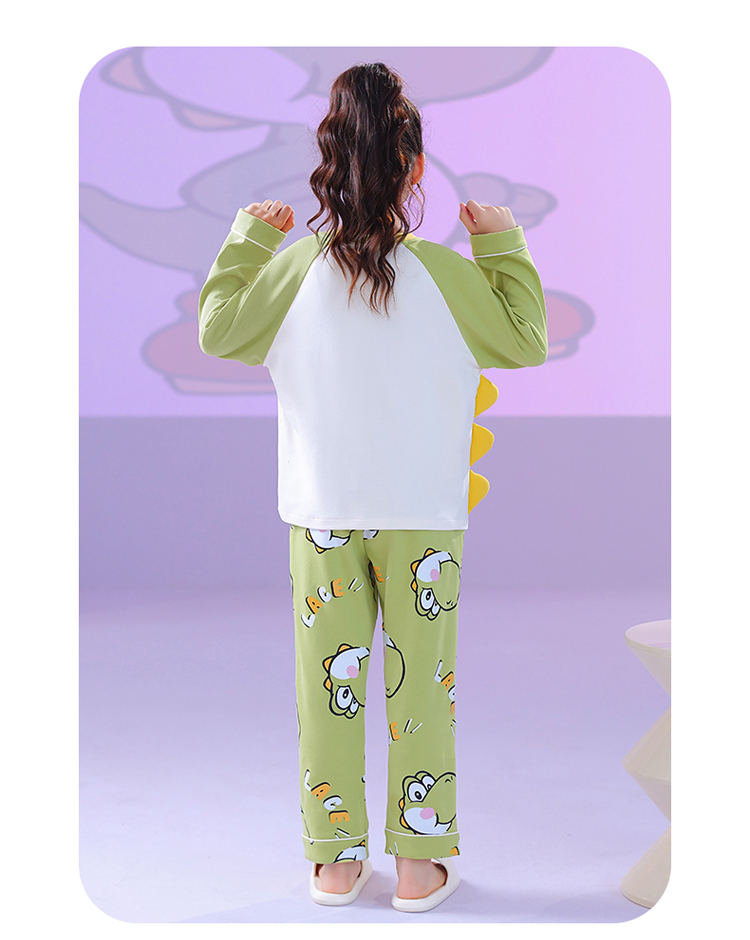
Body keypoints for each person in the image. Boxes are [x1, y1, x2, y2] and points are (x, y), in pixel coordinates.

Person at [198, 62, 548, 912]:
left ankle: (335, 862)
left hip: (322, 516)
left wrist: (248, 240)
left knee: (328, 688)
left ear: (329, 163)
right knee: (423, 686)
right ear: (415, 167)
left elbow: (217, 331)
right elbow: (526, 339)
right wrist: (502, 243)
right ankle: (420, 865)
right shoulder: (449, 277)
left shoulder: (292, 271)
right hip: (424, 519)